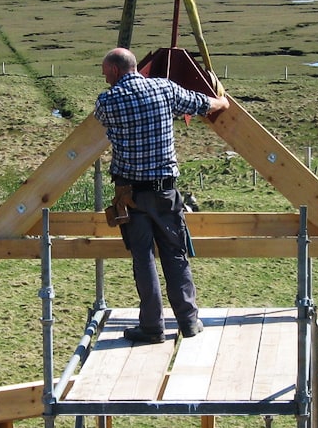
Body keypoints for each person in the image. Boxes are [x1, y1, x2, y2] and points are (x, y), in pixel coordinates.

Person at [94, 47, 229, 343]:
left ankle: (152, 328)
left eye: (105, 71)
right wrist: (222, 101)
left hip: (130, 195)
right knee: (175, 254)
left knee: (143, 259)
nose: (103, 77)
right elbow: (201, 104)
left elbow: (103, 121)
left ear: (116, 70)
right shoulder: (163, 89)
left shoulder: (107, 101)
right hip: (165, 192)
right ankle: (189, 321)